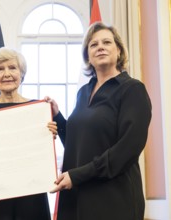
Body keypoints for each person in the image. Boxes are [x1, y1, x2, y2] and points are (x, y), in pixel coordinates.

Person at [48, 22, 152, 220]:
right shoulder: (83, 92)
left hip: (113, 198)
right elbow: (77, 144)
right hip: (77, 196)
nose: (100, 47)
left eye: (107, 42)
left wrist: (77, 176)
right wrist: (58, 117)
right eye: (93, 44)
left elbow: (127, 150)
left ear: (119, 51)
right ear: (87, 55)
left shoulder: (132, 90)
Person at [0, 47, 57, 220]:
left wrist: (51, 133)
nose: (7, 74)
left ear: (22, 74)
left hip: (30, 197)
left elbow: (43, 152)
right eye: (0, 69)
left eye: (12, 68)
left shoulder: (38, 109)